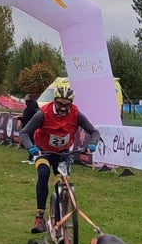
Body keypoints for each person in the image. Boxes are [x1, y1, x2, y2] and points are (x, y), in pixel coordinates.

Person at [19, 86, 100, 234]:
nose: (63, 108)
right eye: (60, 104)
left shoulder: (76, 114)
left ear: (71, 103)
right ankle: (39, 218)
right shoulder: (43, 114)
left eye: (66, 104)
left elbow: (94, 132)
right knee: (43, 173)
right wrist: (30, 147)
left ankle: (58, 217)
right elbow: (24, 133)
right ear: (54, 101)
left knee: (60, 183)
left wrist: (93, 143)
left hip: (62, 154)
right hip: (43, 151)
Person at [19, 93, 40, 163]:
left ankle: (33, 157)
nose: (24, 99)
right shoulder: (34, 106)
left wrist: (19, 118)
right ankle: (31, 158)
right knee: (31, 142)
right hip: (33, 127)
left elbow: (26, 118)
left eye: (25, 97)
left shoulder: (30, 107)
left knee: (29, 143)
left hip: (29, 127)